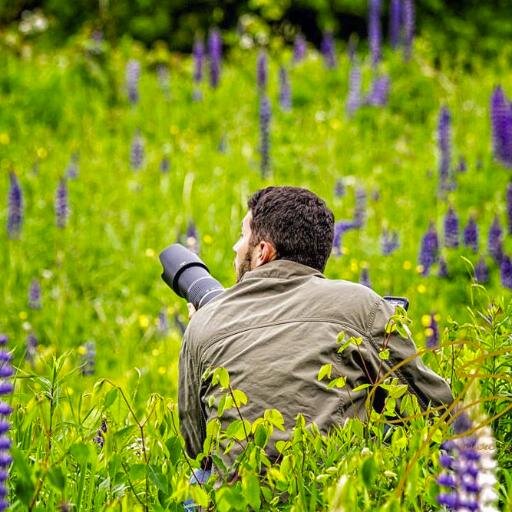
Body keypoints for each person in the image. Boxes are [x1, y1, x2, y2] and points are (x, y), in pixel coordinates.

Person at [178, 186, 453, 470]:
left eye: (242, 236)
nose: (236, 247)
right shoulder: (362, 305)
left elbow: (198, 448)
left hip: (237, 499)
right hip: (332, 492)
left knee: (199, 477)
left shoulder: (206, 321)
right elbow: (436, 409)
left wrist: (202, 328)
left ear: (263, 252)